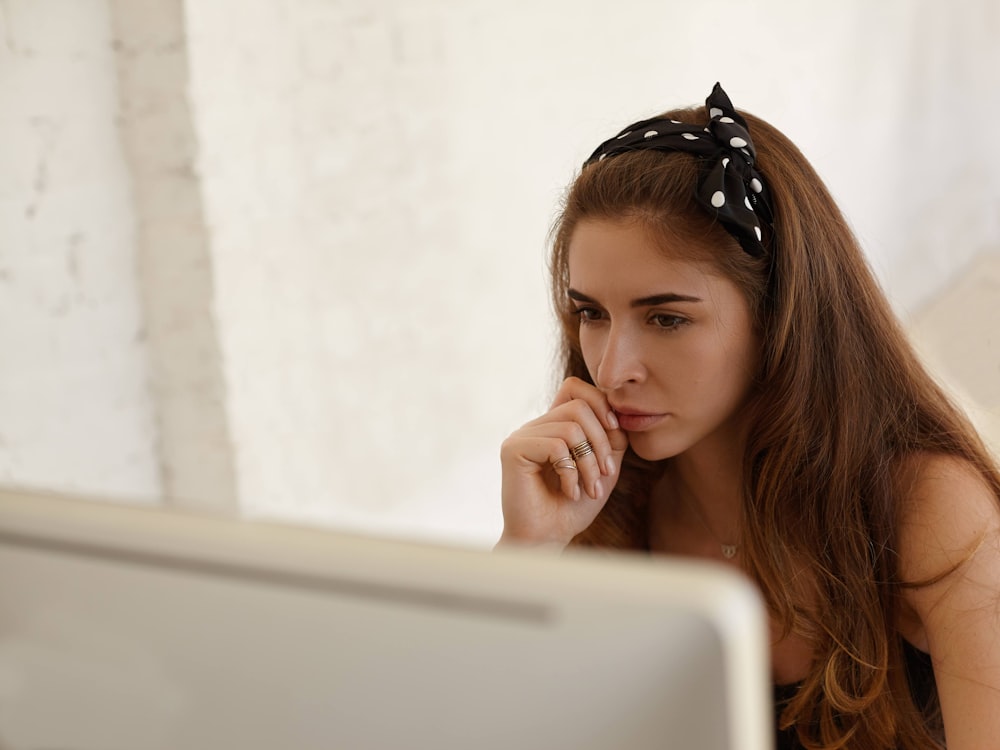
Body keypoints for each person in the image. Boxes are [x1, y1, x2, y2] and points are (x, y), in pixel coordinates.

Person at [497, 83, 1000, 749]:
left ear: (779, 314)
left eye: (667, 318)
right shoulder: (606, 509)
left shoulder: (928, 506)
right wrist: (525, 554)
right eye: (592, 313)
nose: (613, 368)